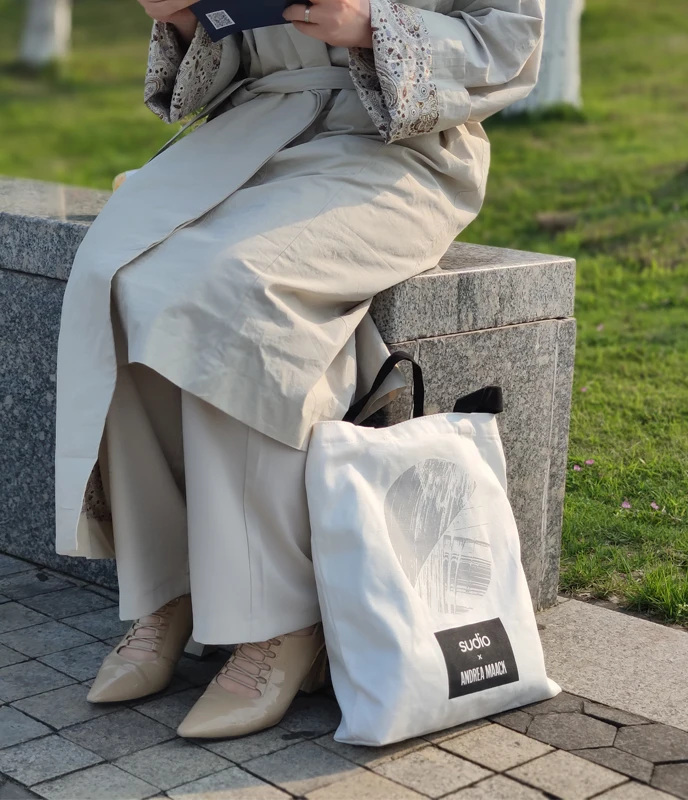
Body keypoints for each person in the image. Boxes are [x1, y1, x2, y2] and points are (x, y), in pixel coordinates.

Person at [54, 0, 544, 740]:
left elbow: (510, 39)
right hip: (247, 136)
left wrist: (368, 24)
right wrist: (184, 18)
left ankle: (281, 622)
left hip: (398, 149)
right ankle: (169, 586)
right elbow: (233, 56)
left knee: (238, 291)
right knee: (112, 276)